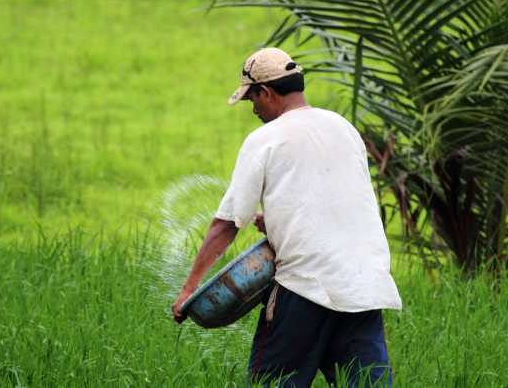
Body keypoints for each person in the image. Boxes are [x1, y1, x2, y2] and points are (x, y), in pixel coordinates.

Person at [172, 47, 402, 387]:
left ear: (266, 92)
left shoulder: (265, 138)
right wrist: (280, 219)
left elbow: (226, 224)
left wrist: (188, 291)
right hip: (363, 283)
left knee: (277, 381)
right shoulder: (343, 128)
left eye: (252, 99)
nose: (253, 109)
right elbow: (342, 200)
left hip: (304, 288)